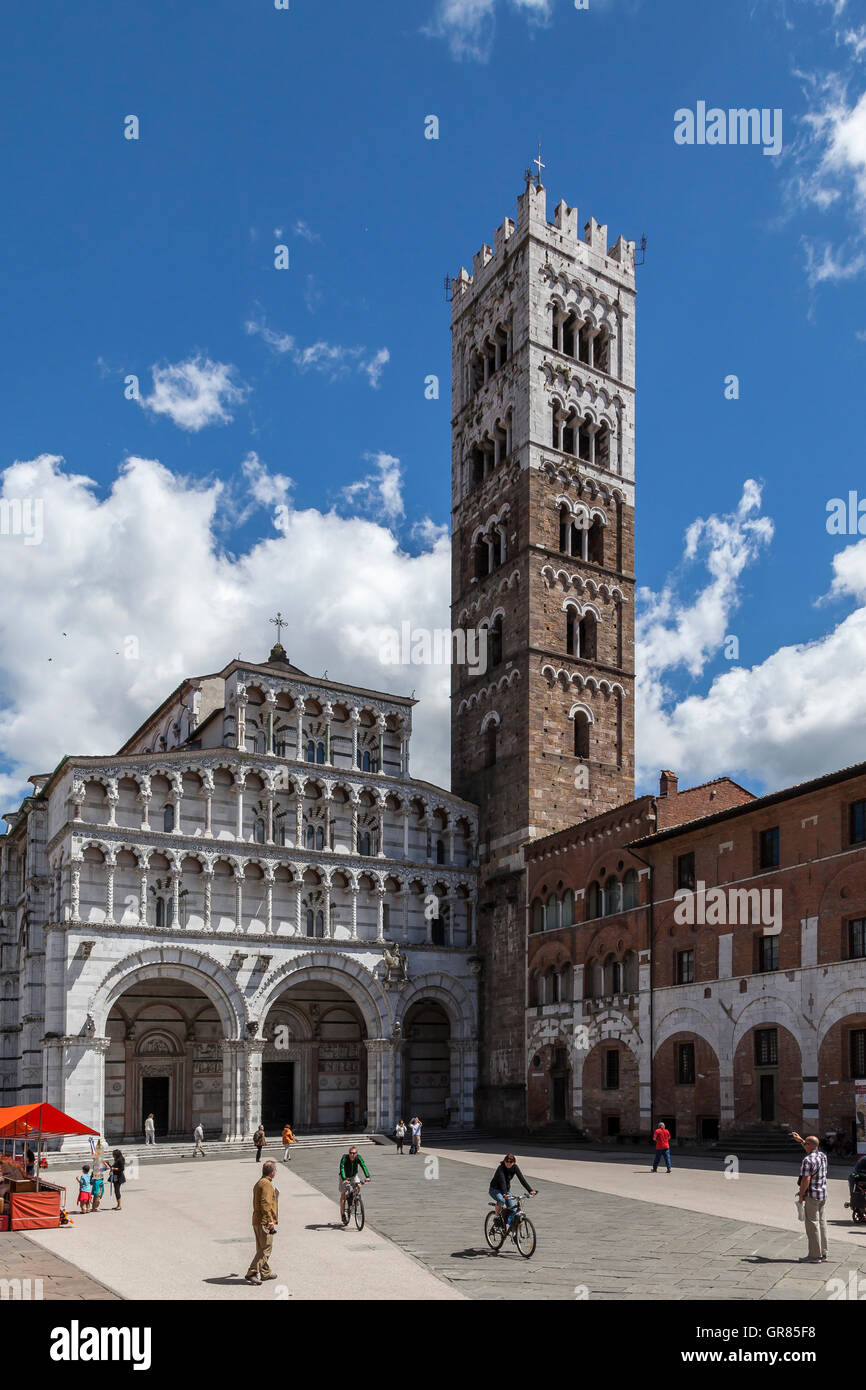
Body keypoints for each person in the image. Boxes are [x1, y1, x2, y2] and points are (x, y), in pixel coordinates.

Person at [791, 1132, 828, 1263]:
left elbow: (806, 1179)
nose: (804, 1145)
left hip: (811, 1195)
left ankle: (814, 1256)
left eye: (805, 1143)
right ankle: (823, 1253)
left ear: (809, 1146)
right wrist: (801, 1140)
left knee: (812, 1225)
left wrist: (801, 1196)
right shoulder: (822, 1156)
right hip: (822, 1195)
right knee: (822, 1224)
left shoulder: (807, 1160)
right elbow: (811, 1148)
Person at [245, 1160, 279, 1286]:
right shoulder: (266, 1184)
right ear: (272, 1172)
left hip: (257, 1220)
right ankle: (252, 1272)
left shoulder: (260, 1182)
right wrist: (270, 1220)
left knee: (261, 1247)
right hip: (264, 1221)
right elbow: (265, 1204)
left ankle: (265, 1272)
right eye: (275, 1170)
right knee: (266, 1248)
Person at [489, 1154, 536, 1227]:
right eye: (507, 1161)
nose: (508, 1163)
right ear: (504, 1161)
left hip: (506, 1191)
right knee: (501, 1200)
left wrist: (530, 1190)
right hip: (495, 1189)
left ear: (514, 1162)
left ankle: (512, 1229)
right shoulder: (501, 1168)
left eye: (510, 1162)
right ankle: (497, 1217)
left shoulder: (515, 1168)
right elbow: (502, 1181)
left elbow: (522, 1179)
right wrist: (504, 1194)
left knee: (514, 1210)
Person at [339, 1145, 371, 1223]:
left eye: (354, 1153)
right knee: (343, 1194)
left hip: (353, 1175)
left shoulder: (358, 1158)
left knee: (359, 1185)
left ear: (357, 1153)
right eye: (351, 1153)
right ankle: (343, 1214)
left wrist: (367, 1176)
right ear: (349, 1153)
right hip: (344, 1177)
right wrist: (344, 1179)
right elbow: (342, 1167)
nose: (352, 1155)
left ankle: (354, 1199)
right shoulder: (345, 1158)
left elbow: (363, 1166)